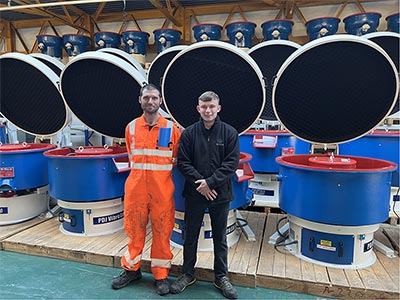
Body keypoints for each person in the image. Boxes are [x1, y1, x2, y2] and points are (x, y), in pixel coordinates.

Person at [111, 84, 181, 296]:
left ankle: (161, 275)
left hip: (162, 190)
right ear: (140, 100)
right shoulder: (131, 128)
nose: (150, 102)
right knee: (134, 230)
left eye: (154, 98)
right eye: (146, 98)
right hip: (136, 189)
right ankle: (131, 270)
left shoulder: (172, 129)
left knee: (162, 231)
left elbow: (175, 160)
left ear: (160, 101)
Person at [170, 91, 240, 299]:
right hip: (194, 193)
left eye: (212, 107)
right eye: (204, 107)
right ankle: (187, 274)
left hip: (220, 193)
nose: (208, 111)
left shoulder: (229, 133)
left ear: (218, 108)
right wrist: (201, 184)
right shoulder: (189, 133)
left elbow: (231, 163)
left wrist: (210, 183)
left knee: (220, 237)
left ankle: (221, 277)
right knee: (190, 236)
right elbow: (183, 162)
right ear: (198, 109)